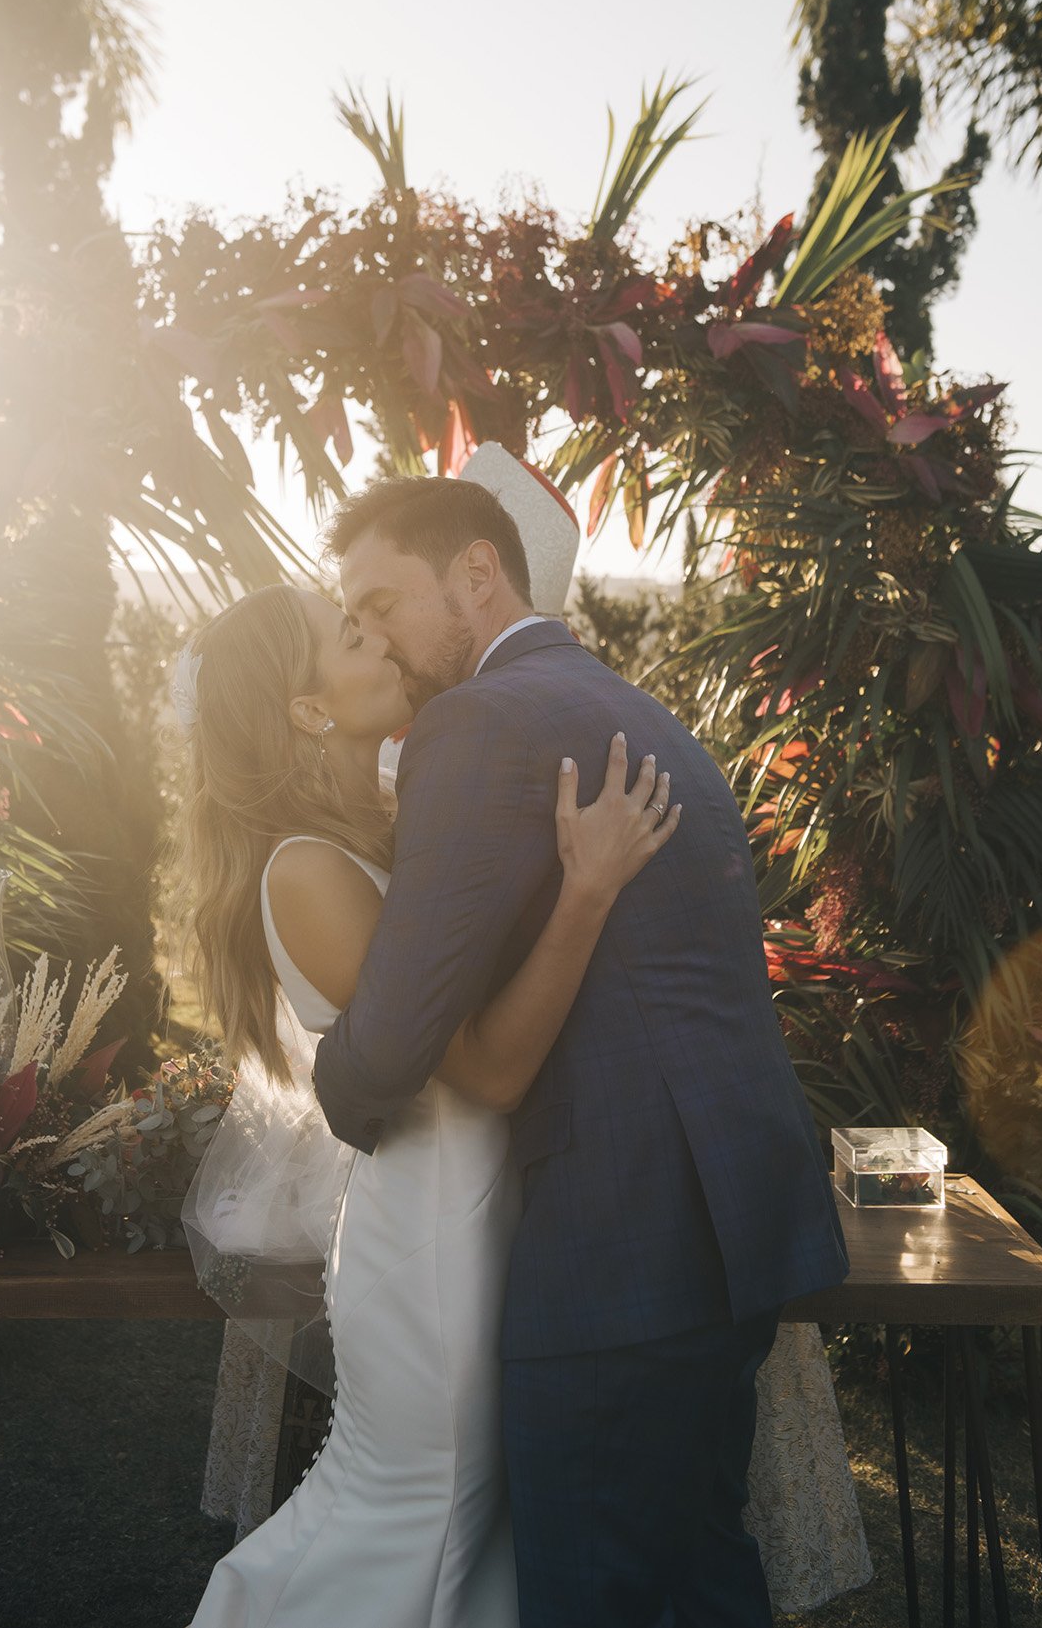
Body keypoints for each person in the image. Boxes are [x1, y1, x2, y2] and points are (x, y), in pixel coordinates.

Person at [311, 474, 853, 1627]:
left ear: (475, 571)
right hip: (722, 1225)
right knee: (696, 1577)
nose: (375, 637)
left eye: (381, 603)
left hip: (618, 1248)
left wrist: (329, 1077)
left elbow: (390, 1045)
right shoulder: (632, 707)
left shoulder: (477, 721)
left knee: (594, 1594)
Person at [176, 579, 678, 1627]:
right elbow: (486, 1069)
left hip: (491, 1217)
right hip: (429, 1249)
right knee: (421, 1511)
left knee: (472, 1524)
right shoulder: (306, 870)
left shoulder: (394, 816)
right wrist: (587, 891)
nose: (379, 639)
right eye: (348, 635)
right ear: (308, 708)